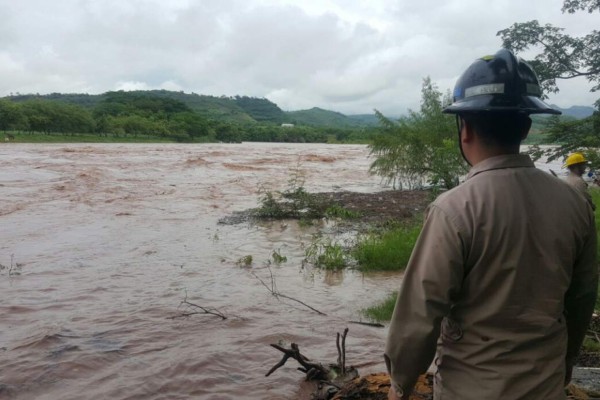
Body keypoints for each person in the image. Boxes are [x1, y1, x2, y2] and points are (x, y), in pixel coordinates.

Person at [384, 49, 598, 400]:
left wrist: (400, 384)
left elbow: (420, 314)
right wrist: (566, 363)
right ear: (527, 126)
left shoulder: (453, 209)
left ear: (464, 129)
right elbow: (581, 299)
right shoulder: (575, 203)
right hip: (545, 388)